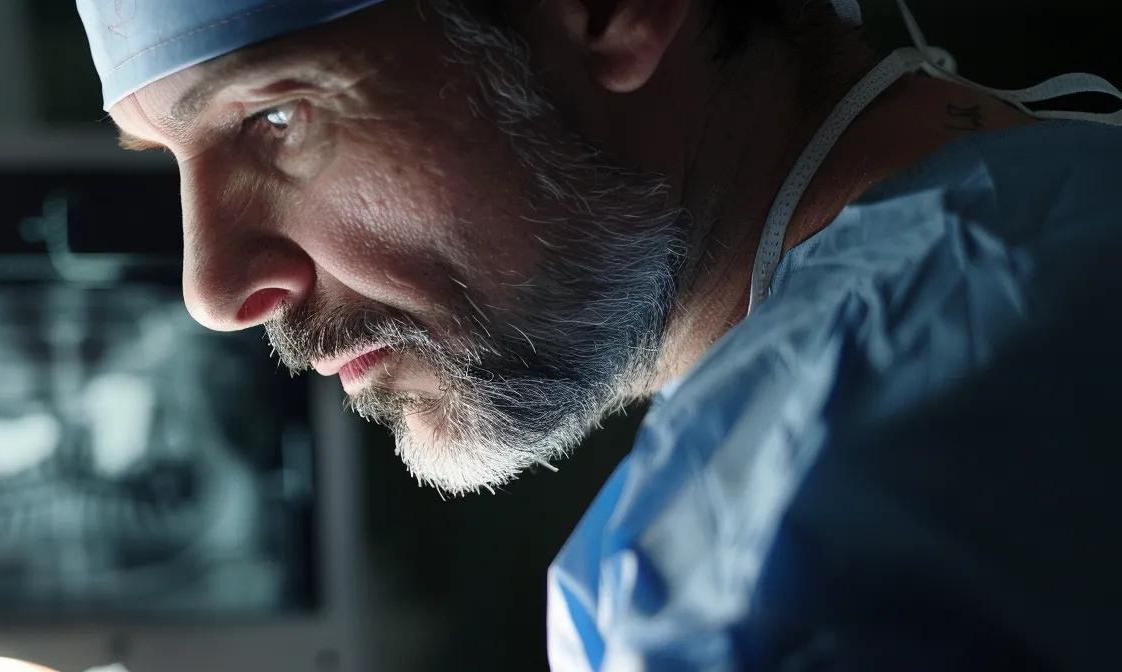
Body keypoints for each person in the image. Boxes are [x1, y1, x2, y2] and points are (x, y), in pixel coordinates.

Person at [75, 0, 1122, 668]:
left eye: (276, 118)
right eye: (167, 154)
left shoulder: (788, 556)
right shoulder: (1061, 202)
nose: (212, 287)